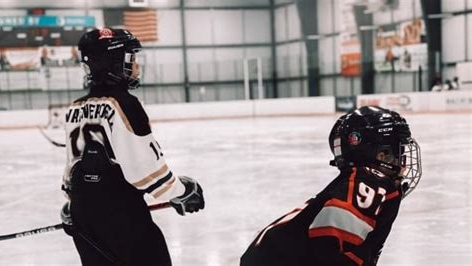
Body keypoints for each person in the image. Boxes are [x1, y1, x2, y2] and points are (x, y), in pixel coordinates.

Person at [60, 28, 205, 266]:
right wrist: (182, 192)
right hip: (121, 218)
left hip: (85, 220)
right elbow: (145, 172)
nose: (135, 66)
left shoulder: (75, 108)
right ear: (113, 63)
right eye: (131, 59)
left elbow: (73, 166)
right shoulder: (125, 105)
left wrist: (73, 203)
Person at [240, 106, 422, 266]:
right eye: (396, 153)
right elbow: (326, 253)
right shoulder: (367, 183)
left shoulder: (360, 182)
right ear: (380, 156)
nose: (403, 163)